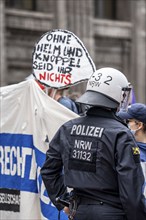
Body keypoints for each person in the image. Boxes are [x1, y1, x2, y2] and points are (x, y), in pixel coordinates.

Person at [40, 67, 146, 220]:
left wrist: (63, 202)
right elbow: (131, 190)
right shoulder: (121, 134)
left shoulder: (67, 128)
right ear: (118, 95)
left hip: (79, 212)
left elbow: (49, 171)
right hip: (113, 213)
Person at [118, 103, 146, 203]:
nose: (122, 124)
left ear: (139, 125)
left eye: (127, 121)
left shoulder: (137, 155)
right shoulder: (125, 147)